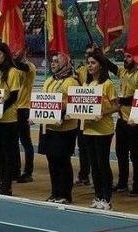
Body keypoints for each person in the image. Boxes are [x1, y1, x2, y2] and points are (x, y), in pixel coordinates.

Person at [40, 52, 79, 204]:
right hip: (49, 128)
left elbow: (73, 103)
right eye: (52, 61)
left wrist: (61, 112)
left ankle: (65, 194)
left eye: (56, 61)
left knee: (63, 161)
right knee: (52, 161)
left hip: (65, 129)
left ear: (64, 63)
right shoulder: (49, 81)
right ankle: (55, 192)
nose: (53, 63)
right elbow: (43, 101)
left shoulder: (72, 82)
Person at [82, 50, 119, 210]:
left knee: (102, 163)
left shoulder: (108, 84)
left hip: (103, 130)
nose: (90, 66)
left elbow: (117, 106)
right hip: (88, 130)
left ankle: (107, 198)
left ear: (100, 66)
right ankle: (98, 196)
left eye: (93, 63)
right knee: (94, 165)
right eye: (88, 63)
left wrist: (102, 112)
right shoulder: (86, 85)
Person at [0, 42, 22, 196]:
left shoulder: (13, 72)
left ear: (6, 55)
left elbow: (14, 96)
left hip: (8, 120)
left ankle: (7, 185)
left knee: (8, 154)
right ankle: (0, 182)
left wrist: (0, 108)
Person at [113, 51, 138, 196]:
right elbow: (109, 66)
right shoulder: (122, 72)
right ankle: (122, 183)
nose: (125, 59)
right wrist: (97, 52)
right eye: (125, 56)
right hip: (122, 119)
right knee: (120, 153)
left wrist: (120, 101)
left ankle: (137, 185)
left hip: (136, 121)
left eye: (129, 56)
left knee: (135, 154)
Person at [74, 42, 96, 186]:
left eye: (91, 54)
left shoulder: (101, 72)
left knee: (94, 149)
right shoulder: (80, 70)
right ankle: (84, 174)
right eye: (86, 54)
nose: (88, 56)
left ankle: (96, 176)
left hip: (95, 117)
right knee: (82, 146)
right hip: (82, 114)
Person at [14, 48, 37, 183]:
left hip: (23, 109)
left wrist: (9, 60)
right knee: (13, 142)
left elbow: (21, 66)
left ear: (26, 51)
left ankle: (28, 172)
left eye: (17, 50)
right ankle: (15, 170)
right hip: (12, 109)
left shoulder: (30, 67)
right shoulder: (13, 68)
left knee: (26, 142)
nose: (15, 52)